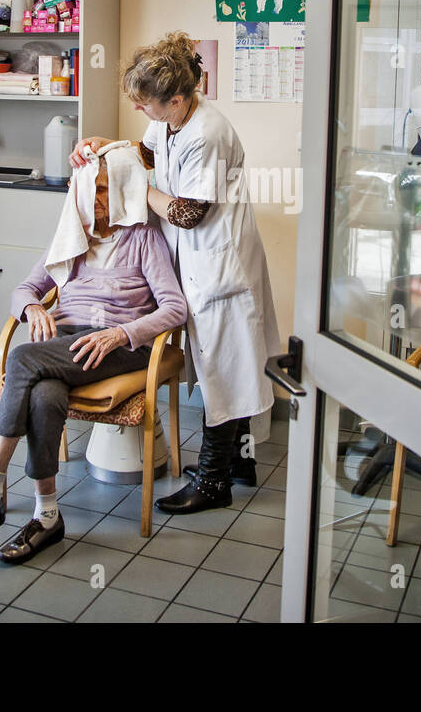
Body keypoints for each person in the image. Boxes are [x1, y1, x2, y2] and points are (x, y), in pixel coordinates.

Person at [71, 31, 281, 514]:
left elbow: (188, 212)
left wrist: (137, 187)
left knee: (222, 369)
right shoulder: (171, 122)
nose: (142, 111)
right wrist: (109, 146)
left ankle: (213, 482)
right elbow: (147, 154)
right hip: (199, 263)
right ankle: (238, 463)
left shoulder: (207, 132)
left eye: (147, 105)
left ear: (178, 99)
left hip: (218, 267)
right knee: (229, 363)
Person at [0, 149, 186, 564]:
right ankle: (48, 516)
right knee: (44, 396)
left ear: (120, 190)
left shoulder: (143, 237)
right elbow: (23, 289)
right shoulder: (69, 238)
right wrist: (33, 308)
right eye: (89, 188)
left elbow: (174, 308)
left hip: (119, 346)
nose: (96, 198)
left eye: (103, 188)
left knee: (22, 359)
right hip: (68, 346)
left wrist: (121, 333)